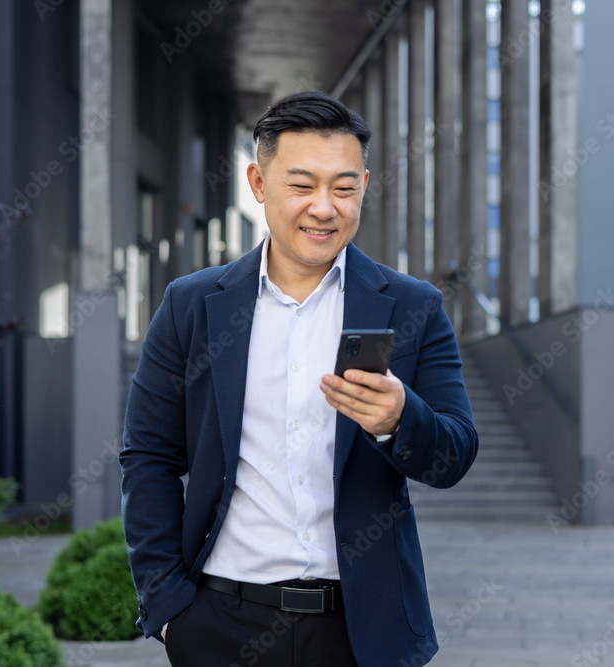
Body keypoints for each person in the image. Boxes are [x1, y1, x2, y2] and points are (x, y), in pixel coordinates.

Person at [120, 90, 478, 667]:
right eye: (302, 185)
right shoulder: (191, 306)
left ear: (363, 185)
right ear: (259, 184)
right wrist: (168, 611)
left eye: (343, 187)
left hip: (363, 634)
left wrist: (399, 420)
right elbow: (149, 456)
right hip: (219, 625)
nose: (324, 207)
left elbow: (454, 457)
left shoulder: (413, 306)